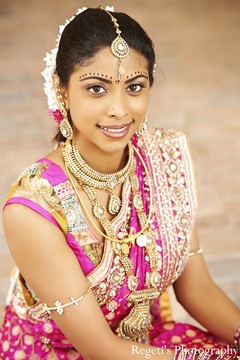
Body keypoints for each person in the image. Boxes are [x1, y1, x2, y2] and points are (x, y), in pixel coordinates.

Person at [0, 6, 239, 360]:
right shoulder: (33, 207)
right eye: (96, 88)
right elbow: (100, 349)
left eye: (134, 87)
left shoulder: (162, 158)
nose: (119, 109)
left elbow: (198, 289)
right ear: (61, 90)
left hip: (142, 346)